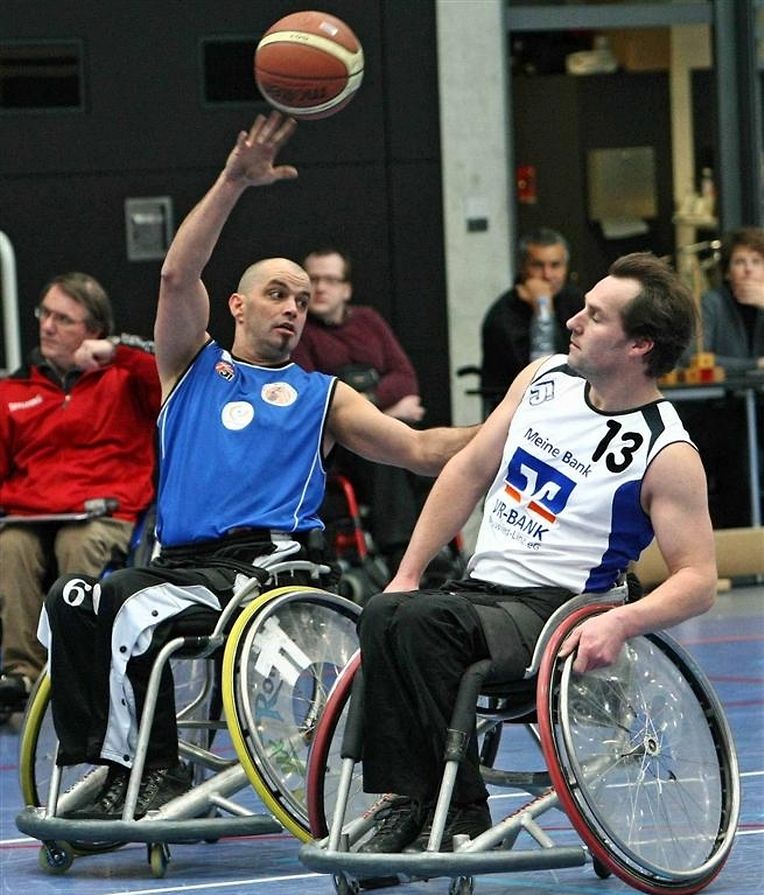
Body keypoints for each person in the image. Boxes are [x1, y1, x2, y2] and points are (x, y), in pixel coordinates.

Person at [38, 112, 478, 820]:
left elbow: (423, 450)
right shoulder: (190, 365)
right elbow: (178, 272)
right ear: (237, 305)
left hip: (263, 568)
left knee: (126, 602)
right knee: (72, 598)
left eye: (303, 300)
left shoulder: (322, 395)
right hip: (175, 565)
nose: (293, 308)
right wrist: (234, 181)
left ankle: (150, 772)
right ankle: (114, 764)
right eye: (278, 294)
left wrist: (516, 419)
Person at [356, 252, 717, 854]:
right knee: (384, 610)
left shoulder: (666, 451)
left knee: (423, 623)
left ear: (639, 346)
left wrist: (622, 621)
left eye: (595, 317)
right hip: (481, 594)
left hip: (558, 611)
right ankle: (413, 800)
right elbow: (468, 470)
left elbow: (699, 579)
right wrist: (408, 572)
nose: (572, 321)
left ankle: (460, 811)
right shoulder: (542, 379)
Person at [0, 272, 160, 711]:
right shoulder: (13, 390)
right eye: (45, 314)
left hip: (103, 515)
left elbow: (168, 370)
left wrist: (115, 351)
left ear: (94, 331)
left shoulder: (126, 377)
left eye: (63, 319)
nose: (47, 326)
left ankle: (79, 670)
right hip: (30, 514)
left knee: (79, 543)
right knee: (10, 547)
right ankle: (22, 675)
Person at [292, 246, 424, 571]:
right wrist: (386, 413)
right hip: (337, 443)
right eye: (313, 279)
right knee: (384, 447)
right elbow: (316, 400)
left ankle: (438, 550)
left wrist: (366, 402)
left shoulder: (368, 321)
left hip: (377, 426)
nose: (320, 287)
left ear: (346, 289)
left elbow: (405, 378)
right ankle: (401, 554)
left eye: (330, 280)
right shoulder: (298, 330)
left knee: (431, 448)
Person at [480, 228, 584, 412]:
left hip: (575, 400)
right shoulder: (502, 315)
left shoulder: (576, 300)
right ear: (522, 267)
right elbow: (538, 372)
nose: (547, 275)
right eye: (537, 265)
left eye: (555, 265)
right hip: (518, 409)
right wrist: (543, 310)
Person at [695, 226, 764, 370]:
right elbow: (696, 358)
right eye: (739, 262)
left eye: (756, 261)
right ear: (727, 272)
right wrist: (756, 364)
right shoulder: (711, 303)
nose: (748, 269)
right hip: (725, 384)